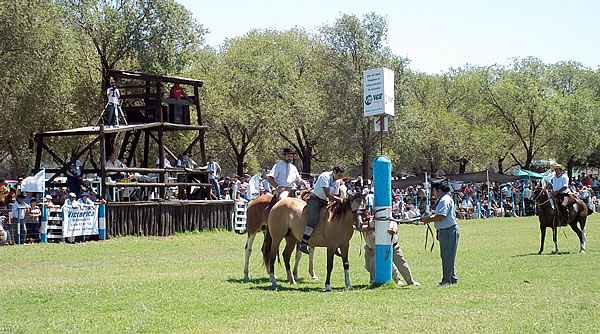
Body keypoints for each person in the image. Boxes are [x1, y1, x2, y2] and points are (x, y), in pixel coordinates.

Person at [299, 166, 345, 254]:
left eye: (341, 176)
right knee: (313, 218)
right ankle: (303, 242)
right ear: (334, 171)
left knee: (333, 220)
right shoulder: (325, 176)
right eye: (339, 175)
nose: (340, 178)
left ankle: (334, 244)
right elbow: (328, 194)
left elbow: (334, 195)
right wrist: (341, 200)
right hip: (315, 200)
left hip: (325, 202)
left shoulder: (338, 181)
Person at [422, 181, 459, 287]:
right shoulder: (444, 199)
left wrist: (428, 219)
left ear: (439, 190)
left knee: (447, 256)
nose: (433, 193)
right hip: (445, 231)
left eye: (433, 190)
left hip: (448, 231)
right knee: (447, 256)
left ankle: (446, 280)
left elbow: (441, 216)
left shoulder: (444, 200)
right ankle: (452, 278)